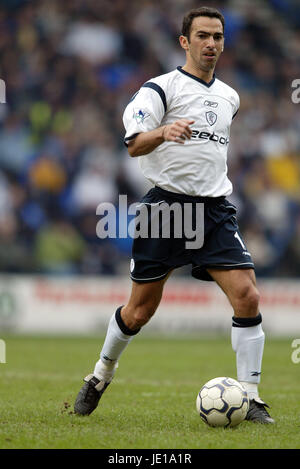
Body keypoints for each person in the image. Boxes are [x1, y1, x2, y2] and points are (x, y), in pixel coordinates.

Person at [74, 6, 274, 424]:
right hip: (165, 209)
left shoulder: (230, 97)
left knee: (248, 295)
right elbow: (133, 144)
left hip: (214, 211)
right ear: (185, 42)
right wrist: (163, 131)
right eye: (202, 36)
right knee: (139, 312)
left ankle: (251, 398)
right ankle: (100, 374)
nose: (211, 44)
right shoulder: (159, 89)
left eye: (217, 36)